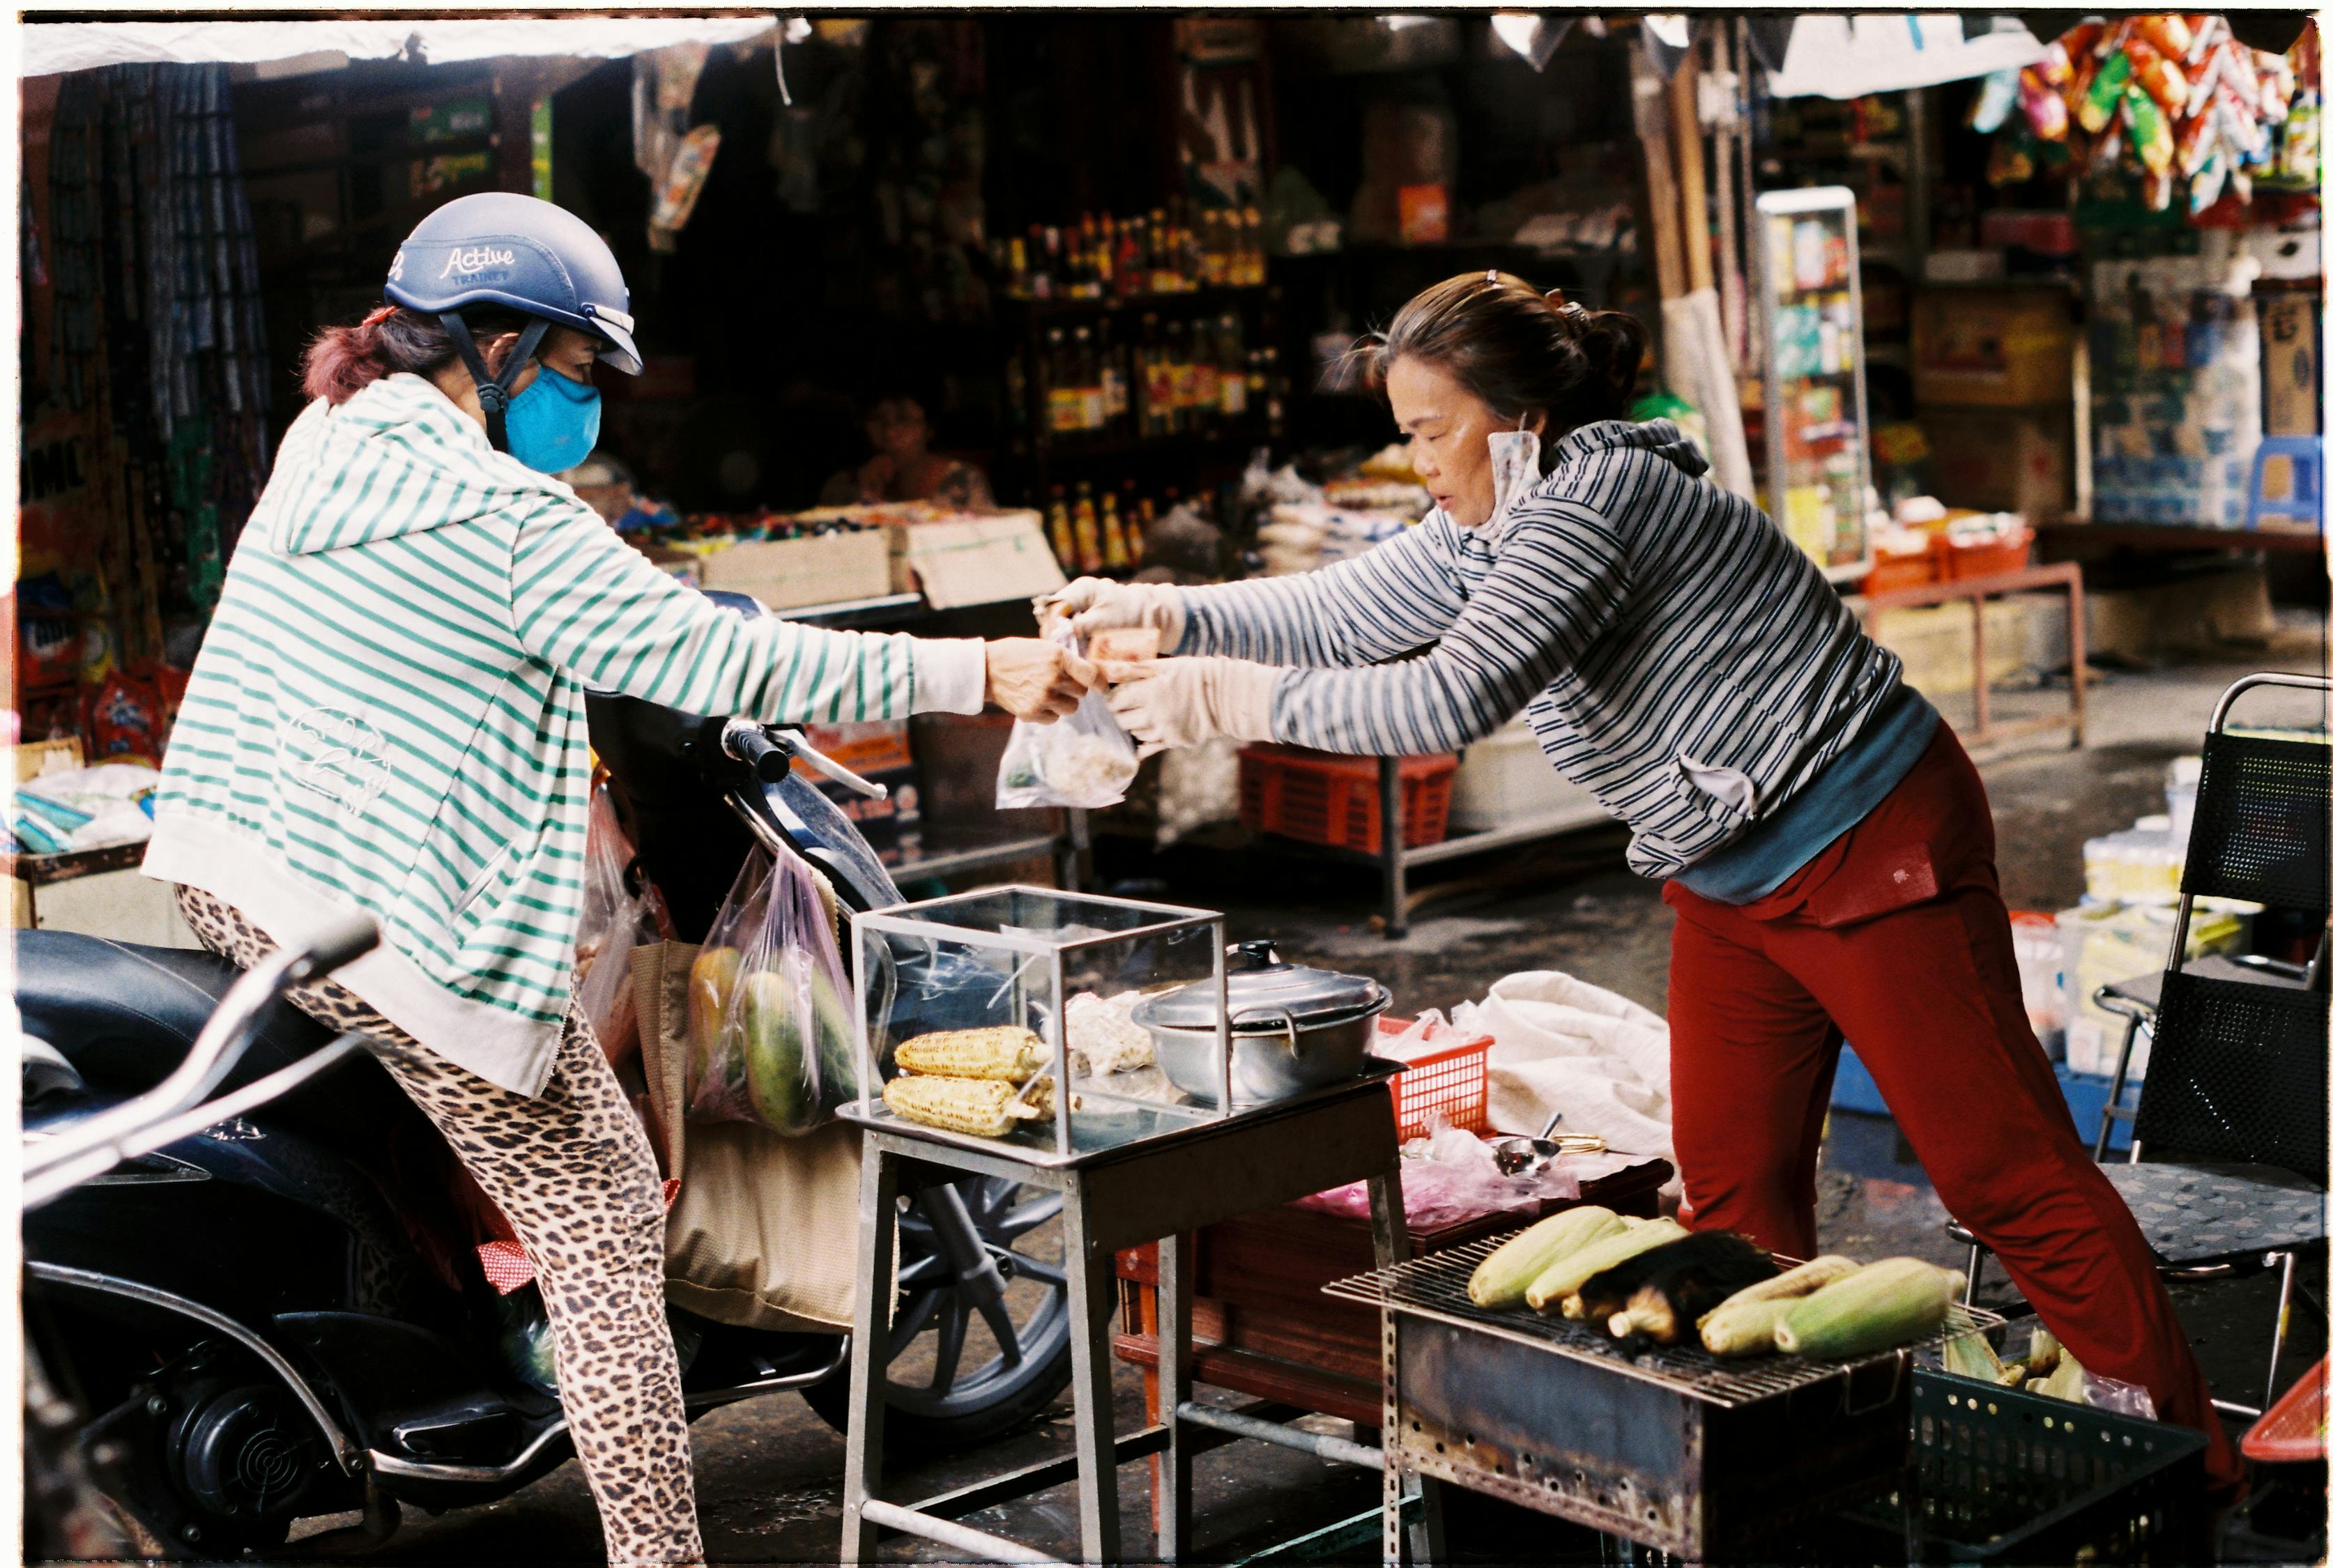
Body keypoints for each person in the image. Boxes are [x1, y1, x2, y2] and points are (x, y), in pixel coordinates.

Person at [1057, 270, 2237, 1491]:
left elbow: (1445, 694)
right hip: (1727, 872)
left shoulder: (1595, 501)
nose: (1416, 462)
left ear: (1515, 418)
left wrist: (1219, 699)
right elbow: (1350, 608)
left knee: (2004, 1176)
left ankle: (2185, 1465)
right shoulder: (1492, 518)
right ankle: (1792, 1473)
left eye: (1427, 431)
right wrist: (1162, 613)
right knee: (1729, 1188)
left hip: (1866, 834)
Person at [141, 192, 1092, 1565]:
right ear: (504, 346)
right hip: (367, 915)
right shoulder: (506, 520)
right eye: (583, 371)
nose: (590, 410)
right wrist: (979, 668)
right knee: (597, 1213)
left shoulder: (332, 436)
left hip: (233, 870)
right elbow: (731, 664)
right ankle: (660, 1552)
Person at [818, 392, 994, 509]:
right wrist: (865, 497)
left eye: (904, 420)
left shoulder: (963, 482)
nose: (890, 433)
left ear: (929, 428)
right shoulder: (842, 488)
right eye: (878, 420)